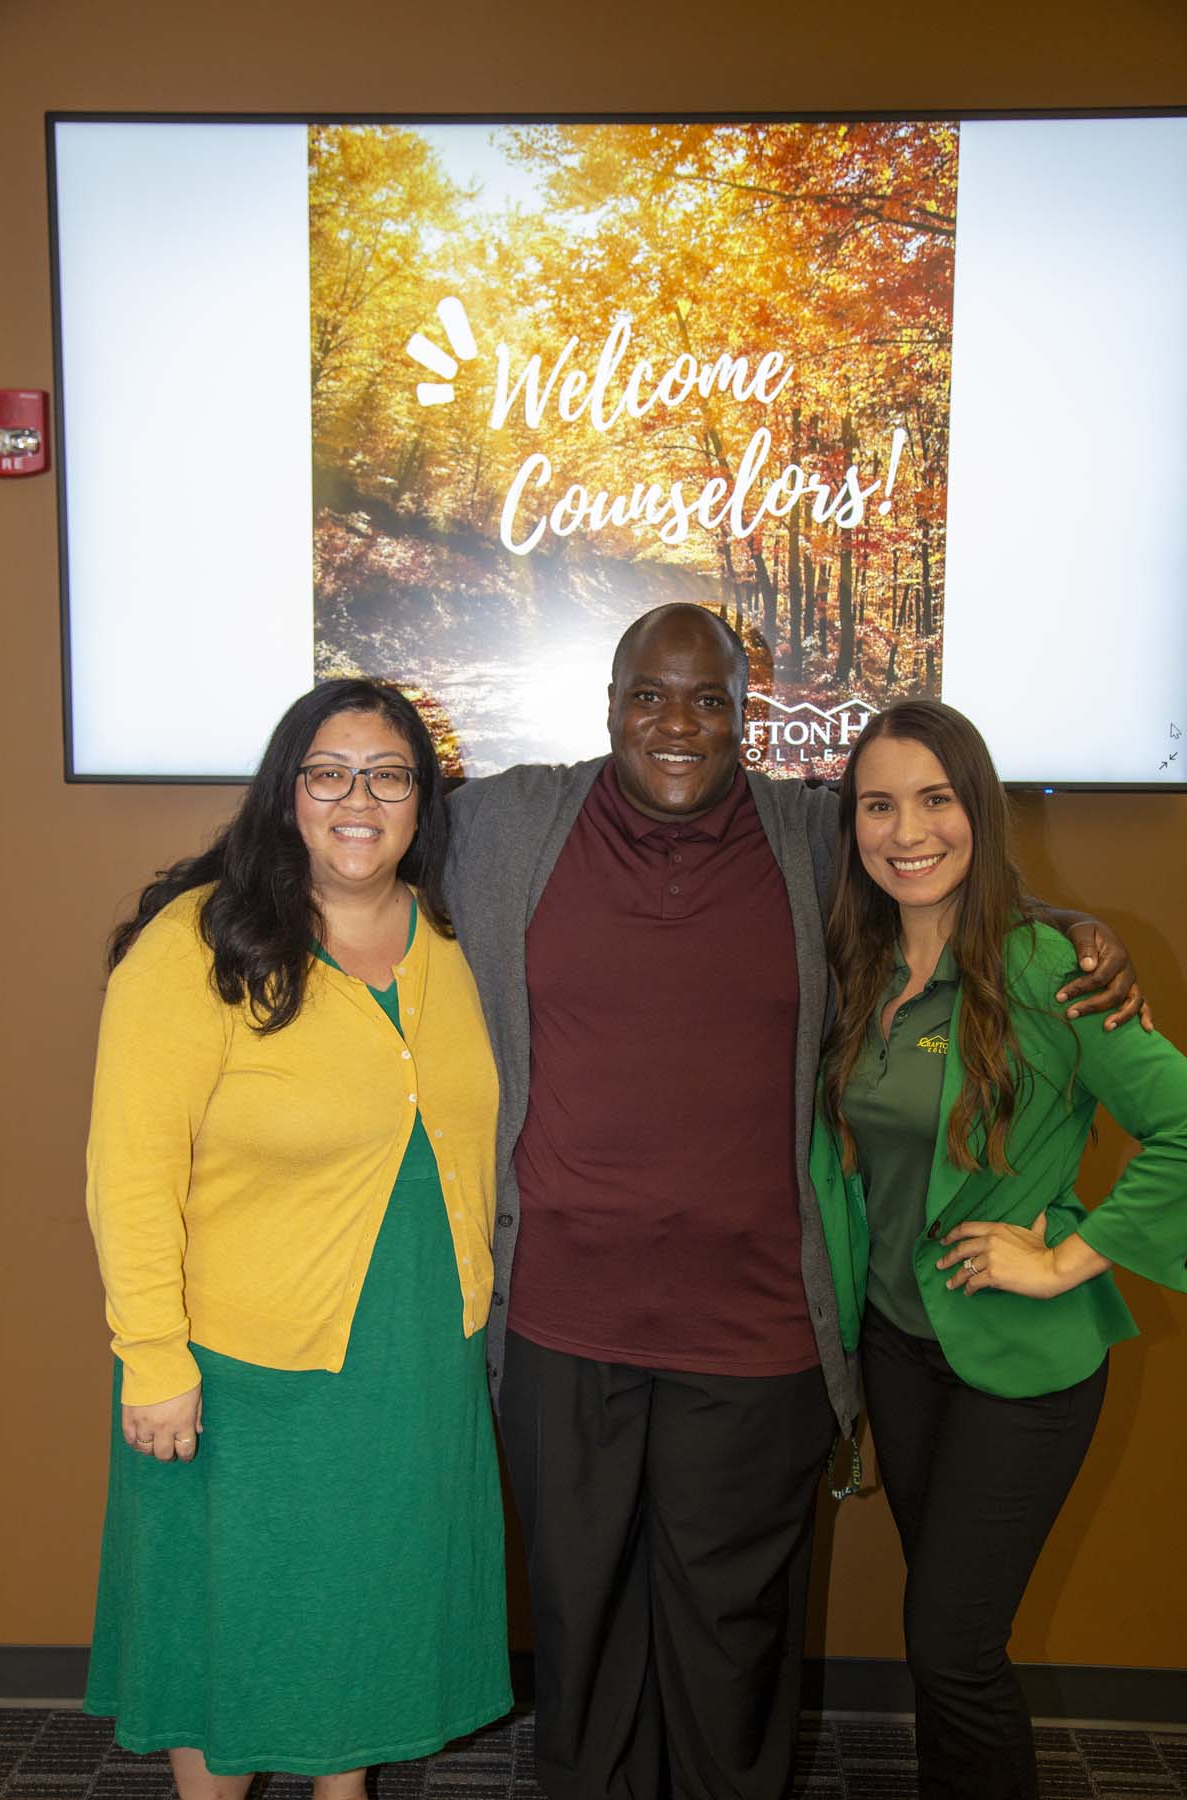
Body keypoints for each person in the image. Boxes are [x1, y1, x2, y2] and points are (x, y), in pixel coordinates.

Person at [443, 603, 1144, 1800]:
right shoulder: (509, 824)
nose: (678, 724)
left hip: (757, 1334)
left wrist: (1069, 929)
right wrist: (192, 908)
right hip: (563, 1324)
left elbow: (929, 877)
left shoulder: (807, 835)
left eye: (709, 699)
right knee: (582, 1636)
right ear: (608, 703)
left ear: (747, 715)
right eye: (649, 696)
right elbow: (348, 834)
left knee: (736, 1648)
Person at [84, 678, 511, 1799]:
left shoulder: (452, 944)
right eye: (328, 773)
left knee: (366, 1616)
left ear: (423, 800)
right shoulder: (199, 943)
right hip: (239, 1372)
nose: (357, 799)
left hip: (414, 1361)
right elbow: (129, 1172)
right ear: (287, 792)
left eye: (388, 775)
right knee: (232, 1643)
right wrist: (152, 1356)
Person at [811, 698, 1187, 1800]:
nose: (906, 829)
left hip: (1024, 1362)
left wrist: (1068, 1258)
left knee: (952, 1649)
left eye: (935, 799)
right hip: (901, 1348)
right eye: (878, 805)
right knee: (949, 1640)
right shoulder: (860, 964)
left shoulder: (1047, 969)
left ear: (977, 808)